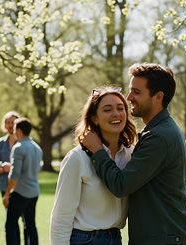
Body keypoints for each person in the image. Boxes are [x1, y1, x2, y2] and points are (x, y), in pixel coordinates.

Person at [82, 63, 186, 244]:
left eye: (136, 92)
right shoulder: (158, 131)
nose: (129, 97)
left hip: (163, 237)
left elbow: (121, 185)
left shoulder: (159, 136)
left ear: (158, 97)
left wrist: (97, 151)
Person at [50, 86, 137, 245]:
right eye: (107, 109)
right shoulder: (77, 158)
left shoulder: (132, 155)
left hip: (116, 238)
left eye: (120, 108)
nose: (116, 114)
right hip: (84, 239)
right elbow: (61, 216)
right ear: (94, 118)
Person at [3, 117, 43, 245]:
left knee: (10, 225)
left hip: (20, 193)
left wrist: (7, 194)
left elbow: (14, 175)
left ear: (19, 130)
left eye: (14, 129)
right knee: (30, 225)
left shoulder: (18, 147)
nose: (13, 132)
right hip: (34, 192)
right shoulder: (37, 148)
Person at [0, 111, 28, 244]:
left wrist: (11, 166)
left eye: (12, 122)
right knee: (11, 220)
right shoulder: (1, 142)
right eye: (7, 122)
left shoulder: (25, 142)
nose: (10, 125)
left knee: (25, 220)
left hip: (21, 186)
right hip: (5, 185)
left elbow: (28, 165)